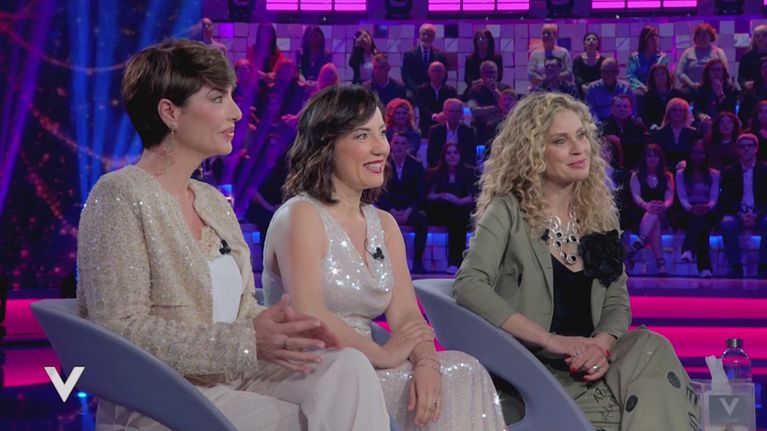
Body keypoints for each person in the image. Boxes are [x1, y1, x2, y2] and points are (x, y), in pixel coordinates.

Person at [77, 39, 391, 430]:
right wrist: (245, 342)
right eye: (217, 98)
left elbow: (242, 311)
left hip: (232, 373)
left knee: (347, 367)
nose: (237, 112)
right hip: (164, 394)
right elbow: (120, 330)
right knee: (297, 418)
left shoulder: (211, 201)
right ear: (170, 112)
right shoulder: (118, 195)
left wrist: (284, 332)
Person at [262, 85, 505, 430]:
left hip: (370, 360)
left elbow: (406, 315)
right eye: (363, 135)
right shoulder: (300, 215)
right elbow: (309, 313)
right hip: (311, 367)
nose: (382, 147)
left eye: (382, 133)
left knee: (464, 369)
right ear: (326, 145)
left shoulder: (385, 224)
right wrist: (385, 354)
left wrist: (427, 363)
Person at [453, 92, 699, 429]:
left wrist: (601, 345)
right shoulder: (507, 211)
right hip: (535, 371)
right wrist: (550, 340)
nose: (578, 148)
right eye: (561, 140)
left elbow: (616, 300)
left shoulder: (598, 217)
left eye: (581, 136)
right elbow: (468, 284)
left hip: (596, 365)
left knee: (652, 346)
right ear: (533, 152)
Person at [377, 132, 429, 274]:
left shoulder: (416, 166)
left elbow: (420, 193)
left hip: (408, 209)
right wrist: (391, 210)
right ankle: (380, 262)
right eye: (396, 143)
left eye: (402, 143)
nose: (399, 147)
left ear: (408, 147)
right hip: (389, 208)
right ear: (391, 145)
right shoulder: (382, 164)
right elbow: (379, 193)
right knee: (375, 218)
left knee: (422, 218)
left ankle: (417, 262)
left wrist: (409, 211)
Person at [718, 133, 767, 278]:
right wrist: (740, 214)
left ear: (756, 148)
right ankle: (736, 266)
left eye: (750, 146)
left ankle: (764, 266)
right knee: (727, 224)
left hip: (761, 213)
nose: (746, 149)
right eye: (742, 146)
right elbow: (727, 198)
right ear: (737, 149)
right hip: (737, 213)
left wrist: (757, 213)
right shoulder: (728, 172)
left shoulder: (765, 170)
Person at [425, 143, 478, 274]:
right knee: (456, 218)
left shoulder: (469, 173)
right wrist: (441, 195)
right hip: (440, 212)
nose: (452, 156)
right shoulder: (436, 173)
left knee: (458, 219)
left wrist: (458, 201)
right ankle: (456, 262)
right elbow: (429, 196)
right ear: (444, 156)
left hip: (460, 211)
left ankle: (455, 263)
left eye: (455, 153)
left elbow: (472, 197)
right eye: (449, 153)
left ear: (460, 155)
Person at [629, 144, 675, 275]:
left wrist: (663, 206)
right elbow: (636, 196)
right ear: (644, 158)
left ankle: (641, 239)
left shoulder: (668, 176)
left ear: (660, 158)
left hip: (663, 212)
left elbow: (669, 199)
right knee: (655, 223)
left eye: (655, 156)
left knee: (655, 213)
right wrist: (646, 205)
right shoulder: (636, 175)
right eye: (649, 156)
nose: (652, 159)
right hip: (641, 212)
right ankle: (661, 263)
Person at [675, 141, 719, 278]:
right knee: (701, 223)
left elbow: (714, 197)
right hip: (687, 211)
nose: (697, 156)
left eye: (700, 153)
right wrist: (691, 208)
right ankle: (705, 268)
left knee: (701, 220)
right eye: (694, 153)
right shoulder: (681, 174)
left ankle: (688, 249)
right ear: (689, 155)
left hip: (708, 210)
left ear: (706, 155)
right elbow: (682, 196)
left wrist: (707, 207)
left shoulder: (714, 174)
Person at [676, 23, 728, 98]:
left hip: (713, 87)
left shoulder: (718, 52)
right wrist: (692, 85)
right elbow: (680, 73)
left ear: (710, 36)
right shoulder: (687, 53)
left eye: (704, 35)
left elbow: (724, 72)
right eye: (699, 35)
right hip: (692, 88)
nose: (701, 38)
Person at [601, 95, 650, 171]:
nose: (622, 109)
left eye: (625, 106)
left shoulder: (638, 125)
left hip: (634, 167)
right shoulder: (605, 126)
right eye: (618, 106)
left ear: (630, 109)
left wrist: (619, 141)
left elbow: (641, 146)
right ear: (612, 108)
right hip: (610, 168)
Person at [468, 60, 509, 146]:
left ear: (497, 73)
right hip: (481, 128)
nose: (489, 75)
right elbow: (474, 111)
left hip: (501, 127)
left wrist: (494, 90)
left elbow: (507, 107)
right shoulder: (474, 90)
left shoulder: (505, 88)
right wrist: (497, 108)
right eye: (486, 72)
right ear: (481, 74)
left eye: (492, 72)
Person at [427, 98, 477, 168]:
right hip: (440, 169)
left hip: (462, 169)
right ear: (445, 113)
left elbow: (471, 155)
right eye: (451, 111)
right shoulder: (435, 131)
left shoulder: (468, 131)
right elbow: (432, 155)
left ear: (461, 113)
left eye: (457, 111)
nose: (454, 114)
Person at [652, 97, 699, 170]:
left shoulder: (693, 133)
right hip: (665, 170)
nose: (677, 113)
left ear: (685, 113)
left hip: (687, 169)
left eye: (681, 111)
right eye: (674, 110)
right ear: (669, 113)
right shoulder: (659, 133)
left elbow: (696, 154)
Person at [402, 23, 447, 97]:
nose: (426, 37)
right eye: (424, 34)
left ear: (433, 37)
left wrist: (433, 89)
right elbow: (406, 75)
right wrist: (417, 89)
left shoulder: (440, 56)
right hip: (414, 91)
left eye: (429, 35)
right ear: (419, 35)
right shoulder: (409, 54)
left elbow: (444, 75)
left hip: (433, 91)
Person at [584, 58, 635, 123]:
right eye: (604, 72)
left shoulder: (626, 88)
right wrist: (599, 124)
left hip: (623, 123)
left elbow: (633, 110)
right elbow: (589, 111)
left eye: (610, 72)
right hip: (600, 124)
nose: (606, 75)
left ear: (617, 73)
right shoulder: (592, 88)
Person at [415, 61, 458, 136]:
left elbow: (454, 106)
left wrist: (444, 114)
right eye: (434, 70)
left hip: (446, 126)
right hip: (426, 126)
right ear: (429, 73)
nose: (437, 73)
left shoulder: (451, 91)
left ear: (444, 73)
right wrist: (434, 116)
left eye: (440, 71)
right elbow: (422, 107)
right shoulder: (421, 90)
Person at [692, 59, 737, 127]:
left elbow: (730, 111)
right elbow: (696, 109)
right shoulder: (701, 89)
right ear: (708, 72)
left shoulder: (731, 89)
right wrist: (701, 116)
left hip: (724, 121)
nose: (716, 72)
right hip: (706, 121)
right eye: (713, 70)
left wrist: (720, 94)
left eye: (719, 70)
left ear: (723, 72)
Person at [528, 23, 573, 90]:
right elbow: (530, 73)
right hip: (540, 89)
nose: (545, 36)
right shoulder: (535, 53)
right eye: (543, 33)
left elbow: (569, 71)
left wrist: (556, 78)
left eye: (548, 33)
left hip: (561, 89)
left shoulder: (563, 52)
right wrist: (544, 80)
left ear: (555, 35)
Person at [626, 26, 669, 97]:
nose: (654, 38)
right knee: (637, 94)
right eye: (651, 35)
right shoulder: (635, 58)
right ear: (644, 38)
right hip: (640, 89)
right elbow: (631, 76)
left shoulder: (662, 58)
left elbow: (664, 76)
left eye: (656, 35)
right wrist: (643, 87)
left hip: (657, 88)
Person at [641, 63, 684, 130]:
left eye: (663, 74)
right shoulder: (648, 96)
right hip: (656, 128)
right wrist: (653, 126)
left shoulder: (677, 94)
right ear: (653, 78)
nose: (661, 77)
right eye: (657, 75)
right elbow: (645, 115)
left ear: (667, 76)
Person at [464, 29, 504, 96]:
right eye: (478, 38)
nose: (480, 40)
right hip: (475, 88)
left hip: (492, 87)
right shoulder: (470, 58)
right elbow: (467, 78)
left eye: (483, 38)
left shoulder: (497, 57)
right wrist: (475, 83)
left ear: (489, 40)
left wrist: (488, 82)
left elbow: (499, 76)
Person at [246, 22, 284, 87]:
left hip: (272, 83)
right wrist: (264, 76)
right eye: (263, 33)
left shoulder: (277, 51)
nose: (266, 35)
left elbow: (282, 65)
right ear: (259, 34)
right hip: (255, 84)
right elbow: (249, 67)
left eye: (269, 33)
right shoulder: (252, 49)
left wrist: (274, 74)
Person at [738, 56, 767, 129]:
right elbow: (742, 112)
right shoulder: (751, 91)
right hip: (755, 127)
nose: (766, 69)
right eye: (764, 67)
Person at [572, 32, 604, 97]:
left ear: (598, 43)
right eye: (588, 39)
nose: (591, 41)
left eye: (594, 39)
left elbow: (604, 76)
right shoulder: (577, 60)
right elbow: (577, 76)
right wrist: (582, 86)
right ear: (584, 43)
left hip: (599, 91)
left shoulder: (603, 60)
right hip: (581, 92)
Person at [737, 24, 767, 90]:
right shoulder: (747, 56)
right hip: (753, 92)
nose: (760, 38)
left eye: (764, 35)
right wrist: (745, 84)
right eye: (757, 36)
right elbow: (741, 77)